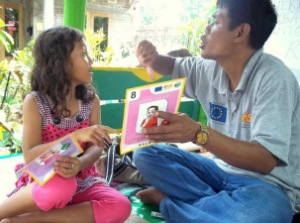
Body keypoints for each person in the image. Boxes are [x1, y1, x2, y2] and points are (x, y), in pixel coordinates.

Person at [133, 0, 300, 223]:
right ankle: (210, 205)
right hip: (217, 169)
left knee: (264, 216)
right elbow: (171, 65)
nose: (206, 28)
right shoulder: (208, 68)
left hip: (266, 186)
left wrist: (197, 133)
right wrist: (152, 58)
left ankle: (171, 202)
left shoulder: (274, 77)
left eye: (216, 21)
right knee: (145, 154)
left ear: (240, 32)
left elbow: (265, 160)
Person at [0, 26, 131, 223]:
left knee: (121, 205)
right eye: (84, 54)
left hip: (82, 179)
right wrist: (75, 137)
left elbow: (96, 146)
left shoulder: (90, 101)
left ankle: (23, 221)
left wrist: (80, 163)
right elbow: (30, 155)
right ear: (59, 63)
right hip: (47, 179)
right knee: (61, 188)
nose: (91, 60)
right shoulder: (35, 102)